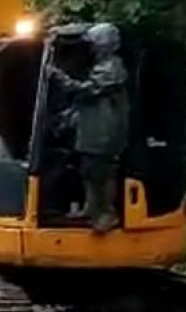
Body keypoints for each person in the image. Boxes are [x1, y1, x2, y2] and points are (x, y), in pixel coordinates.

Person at [49, 23, 129, 233]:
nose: (91, 47)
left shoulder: (112, 69)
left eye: (93, 43)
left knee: (103, 172)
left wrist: (58, 76)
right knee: (87, 170)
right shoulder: (100, 66)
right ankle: (91, 207)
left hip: (105, 131)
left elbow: (86, 91)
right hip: (92, 129)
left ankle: (108, 212)